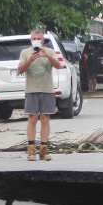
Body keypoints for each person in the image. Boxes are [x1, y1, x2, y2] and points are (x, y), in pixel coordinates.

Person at [17, 28, 60, 162]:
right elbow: (20, 70)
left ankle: (43, 150)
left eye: (39, 38)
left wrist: (47, 55)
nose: (36, 40)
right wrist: (30, 60)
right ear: (31, 40)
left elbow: (58, 65)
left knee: (45, 119)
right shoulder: (25, 53)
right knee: (32, 119)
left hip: (47, 89)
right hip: (31, 89)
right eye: (34, 38)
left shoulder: (50, 51)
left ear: (43, 40)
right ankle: (31, 151)